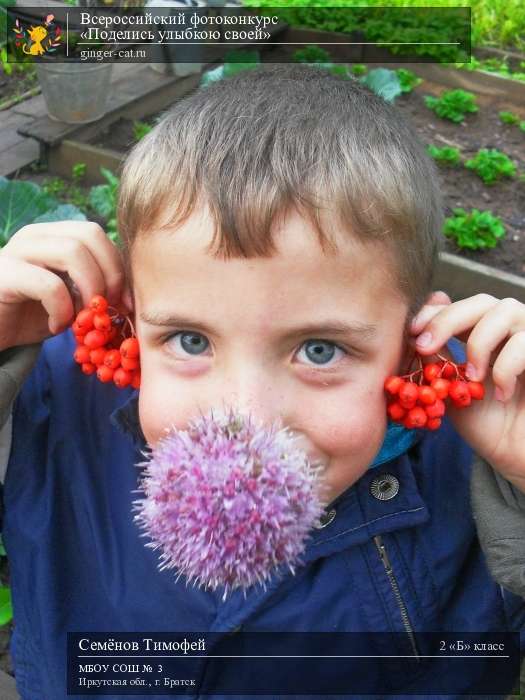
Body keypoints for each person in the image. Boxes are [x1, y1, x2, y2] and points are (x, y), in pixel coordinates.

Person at [0, 62, 524, 700]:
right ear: (131, 319)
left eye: (320, 349)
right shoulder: (67, 388)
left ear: (416, 344)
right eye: (190, 340)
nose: (246, 416)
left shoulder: (476, 463)